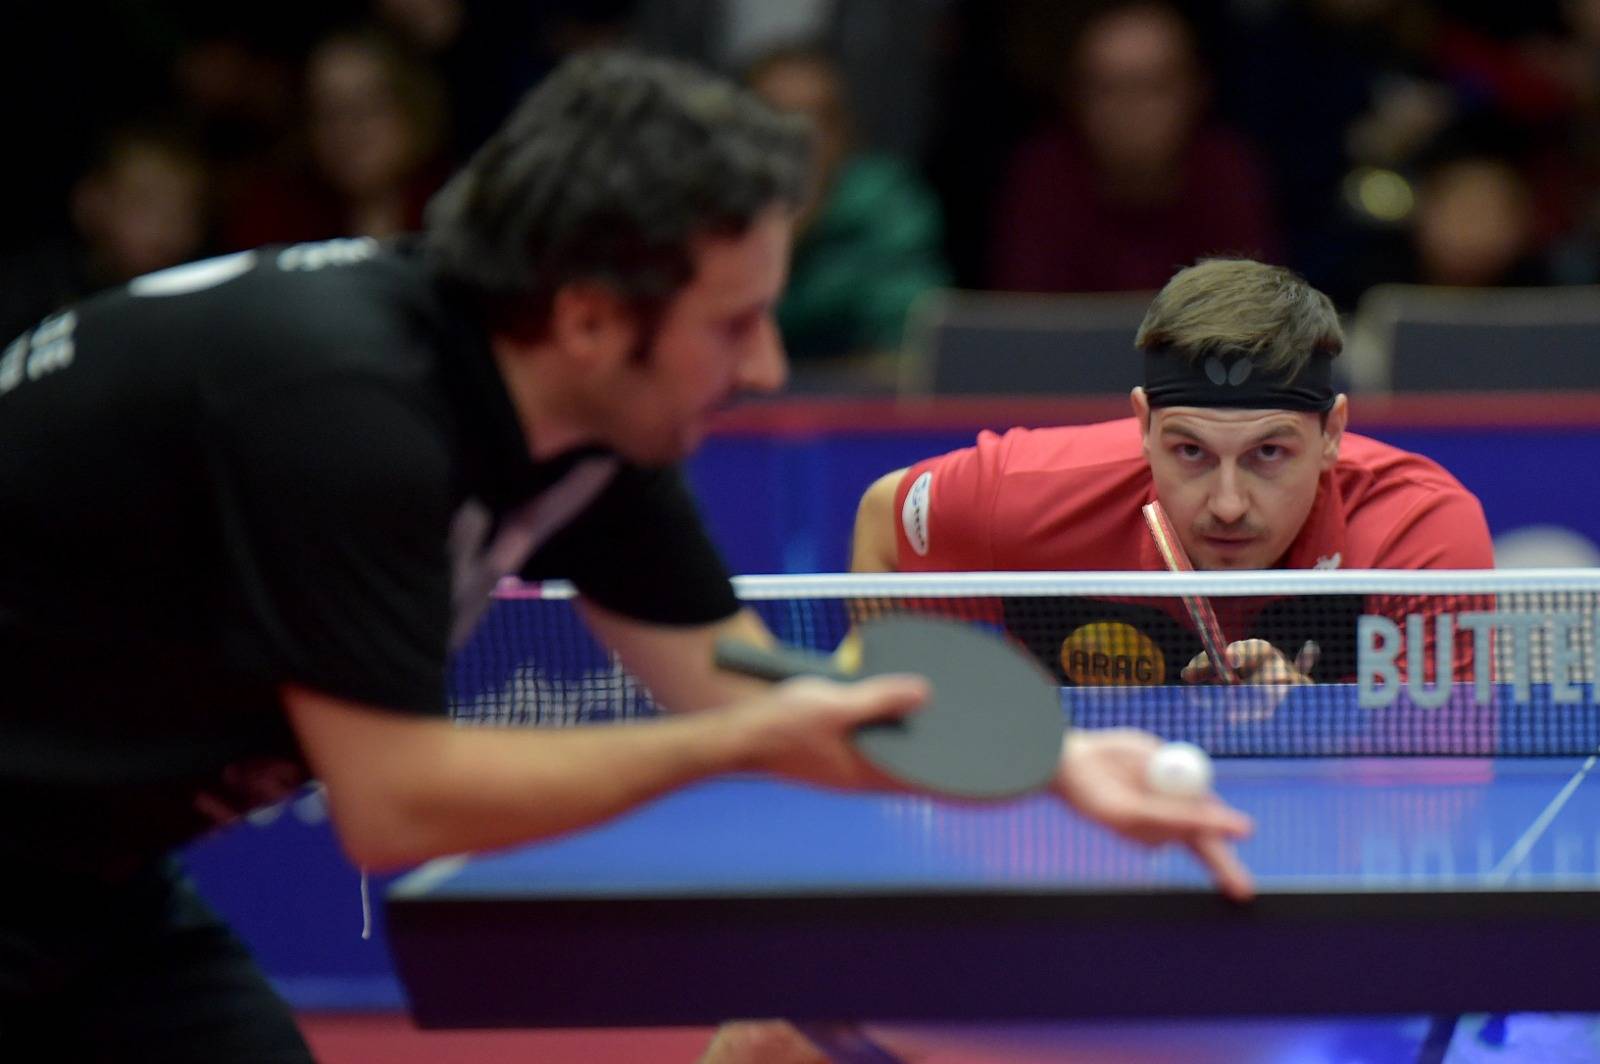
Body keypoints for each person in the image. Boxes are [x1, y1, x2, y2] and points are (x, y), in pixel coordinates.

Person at [0, 52, 1252, 1061]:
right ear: (593, 318)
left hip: (85, 888)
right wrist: (738, 742)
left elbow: (741, 679)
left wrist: (1051, 760)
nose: (764, 367)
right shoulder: (341, 410)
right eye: (734, 322)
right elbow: (396, 803)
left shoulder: (588, 425)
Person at [852, 257, 1494, 685]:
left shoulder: (1417, 527)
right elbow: (888, 519)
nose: (1228, 504)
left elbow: (1440, 780)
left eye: (1269, 454)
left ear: (1332, 433)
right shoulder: (1022, 492)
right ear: (1142, 425)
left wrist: (1314, 724)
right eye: (1190, 452)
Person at [987, 0, 1279, 293]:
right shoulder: (1045, 175)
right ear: (1075, 98)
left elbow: (1252, 315)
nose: (1128, 110)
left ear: (1195, 91)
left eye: (1150, 88)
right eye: (1106, 90)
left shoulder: (1226, 173)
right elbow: (1029, 320)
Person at [745, 43, 950, 390]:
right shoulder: (707, 214)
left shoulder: (887, 206)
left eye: (820, 119)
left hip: (852, 417)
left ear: (845, 132)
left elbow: (911, 353)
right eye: (777, 117)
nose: (802, 138)